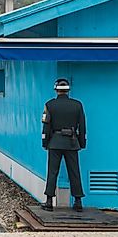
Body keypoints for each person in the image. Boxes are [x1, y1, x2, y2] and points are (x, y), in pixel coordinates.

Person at [41, 77, 87, 212]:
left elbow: (46, 126)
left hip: (55, 141)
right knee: (74, 171)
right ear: (68, 90)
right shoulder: (77, 105)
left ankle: (49, 201)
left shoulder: (49, 105)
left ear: (56, 90)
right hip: (72, 142)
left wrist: (45, 142)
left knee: (52, 171)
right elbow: (82, 126)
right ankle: (78, 201)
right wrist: (82, 143)